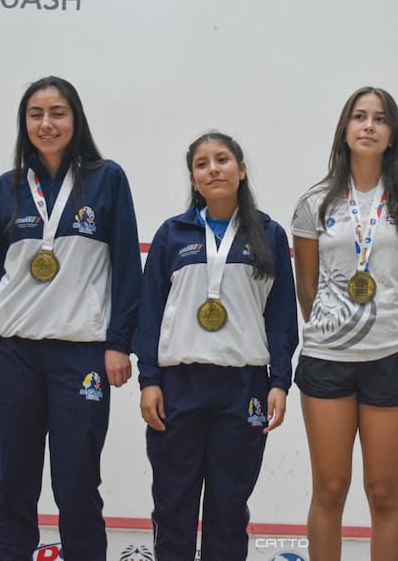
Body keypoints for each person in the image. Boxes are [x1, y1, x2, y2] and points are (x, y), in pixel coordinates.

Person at [0, 76, 141, 561]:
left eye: (57, 112)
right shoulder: (8, 188)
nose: (46, 123)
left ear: (75, 119)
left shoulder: (108, 179)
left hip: (80, 355)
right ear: (25, 124)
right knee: (14, 484)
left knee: (77, 484)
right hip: (11, 353)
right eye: (35, 114)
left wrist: (119, 342)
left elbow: (127, 268)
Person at [291, 87, 398, 561]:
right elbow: (306, 290)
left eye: (379, 119)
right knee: (331, 489)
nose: (369, 126)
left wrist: (390, 331)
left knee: (383, 493)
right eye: (359, 117)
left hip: (393, 359)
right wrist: (337, 328)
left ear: (393, 134)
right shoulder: (314, 202)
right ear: (345, 129)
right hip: (327, 361)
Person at [135, 132, 299, 561]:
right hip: (178, 387)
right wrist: (149, 380)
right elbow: (149, 313)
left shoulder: (269, 234)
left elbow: (280, 319)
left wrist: (280, 381)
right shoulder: (172, 235)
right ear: (193, 178)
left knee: (228, 508)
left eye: (223, 160)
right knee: (174, 505)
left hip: (243, 387)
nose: (214, 169)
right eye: (202, 163)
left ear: (241, 170)